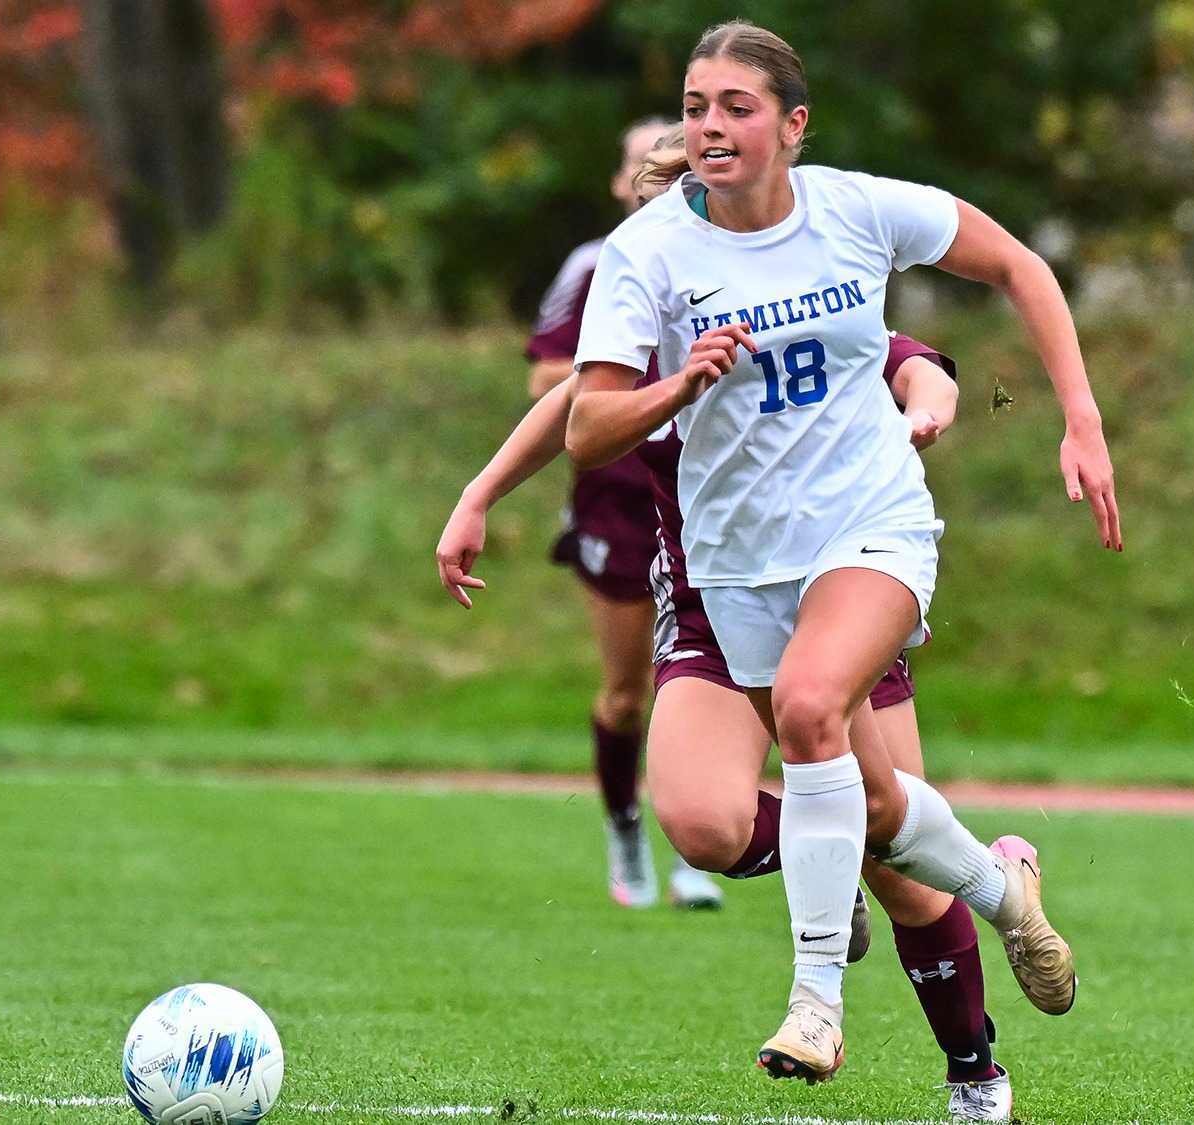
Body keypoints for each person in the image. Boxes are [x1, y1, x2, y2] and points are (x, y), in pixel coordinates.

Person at [566, 18, 1119, 1089]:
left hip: (870, 528)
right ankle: (1004, 892)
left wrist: (1079, 418)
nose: (711, 126)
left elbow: (1017, 264)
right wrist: (677, 386)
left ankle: (816, 1007)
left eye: (735, 106)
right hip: (733, 565)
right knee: (841, 811)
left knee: (812, 709)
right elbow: (587, 428)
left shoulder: (857, 208)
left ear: (793, 124)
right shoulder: (647, 253)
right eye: (694, 106)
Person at [439, 321, 1017, 1122]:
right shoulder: (642, 311)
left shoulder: (793, 280)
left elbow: (915, 362)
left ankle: (975, 1071)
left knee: (899, 862)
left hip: (835, 601)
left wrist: (923, 405)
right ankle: (838, 859)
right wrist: (479, 495)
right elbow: (577, 405)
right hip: (713, 614)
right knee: (704, 825)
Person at [524, 117, 722, 911]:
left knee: (708, 683)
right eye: (644, 168)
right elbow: (548, 385)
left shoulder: (732, 256)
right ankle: (625, 825)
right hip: (618, 502)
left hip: (706, 504)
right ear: (619, 183)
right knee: (628, 691)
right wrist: (629, 388)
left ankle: (695, 851)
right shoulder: (596, 265)